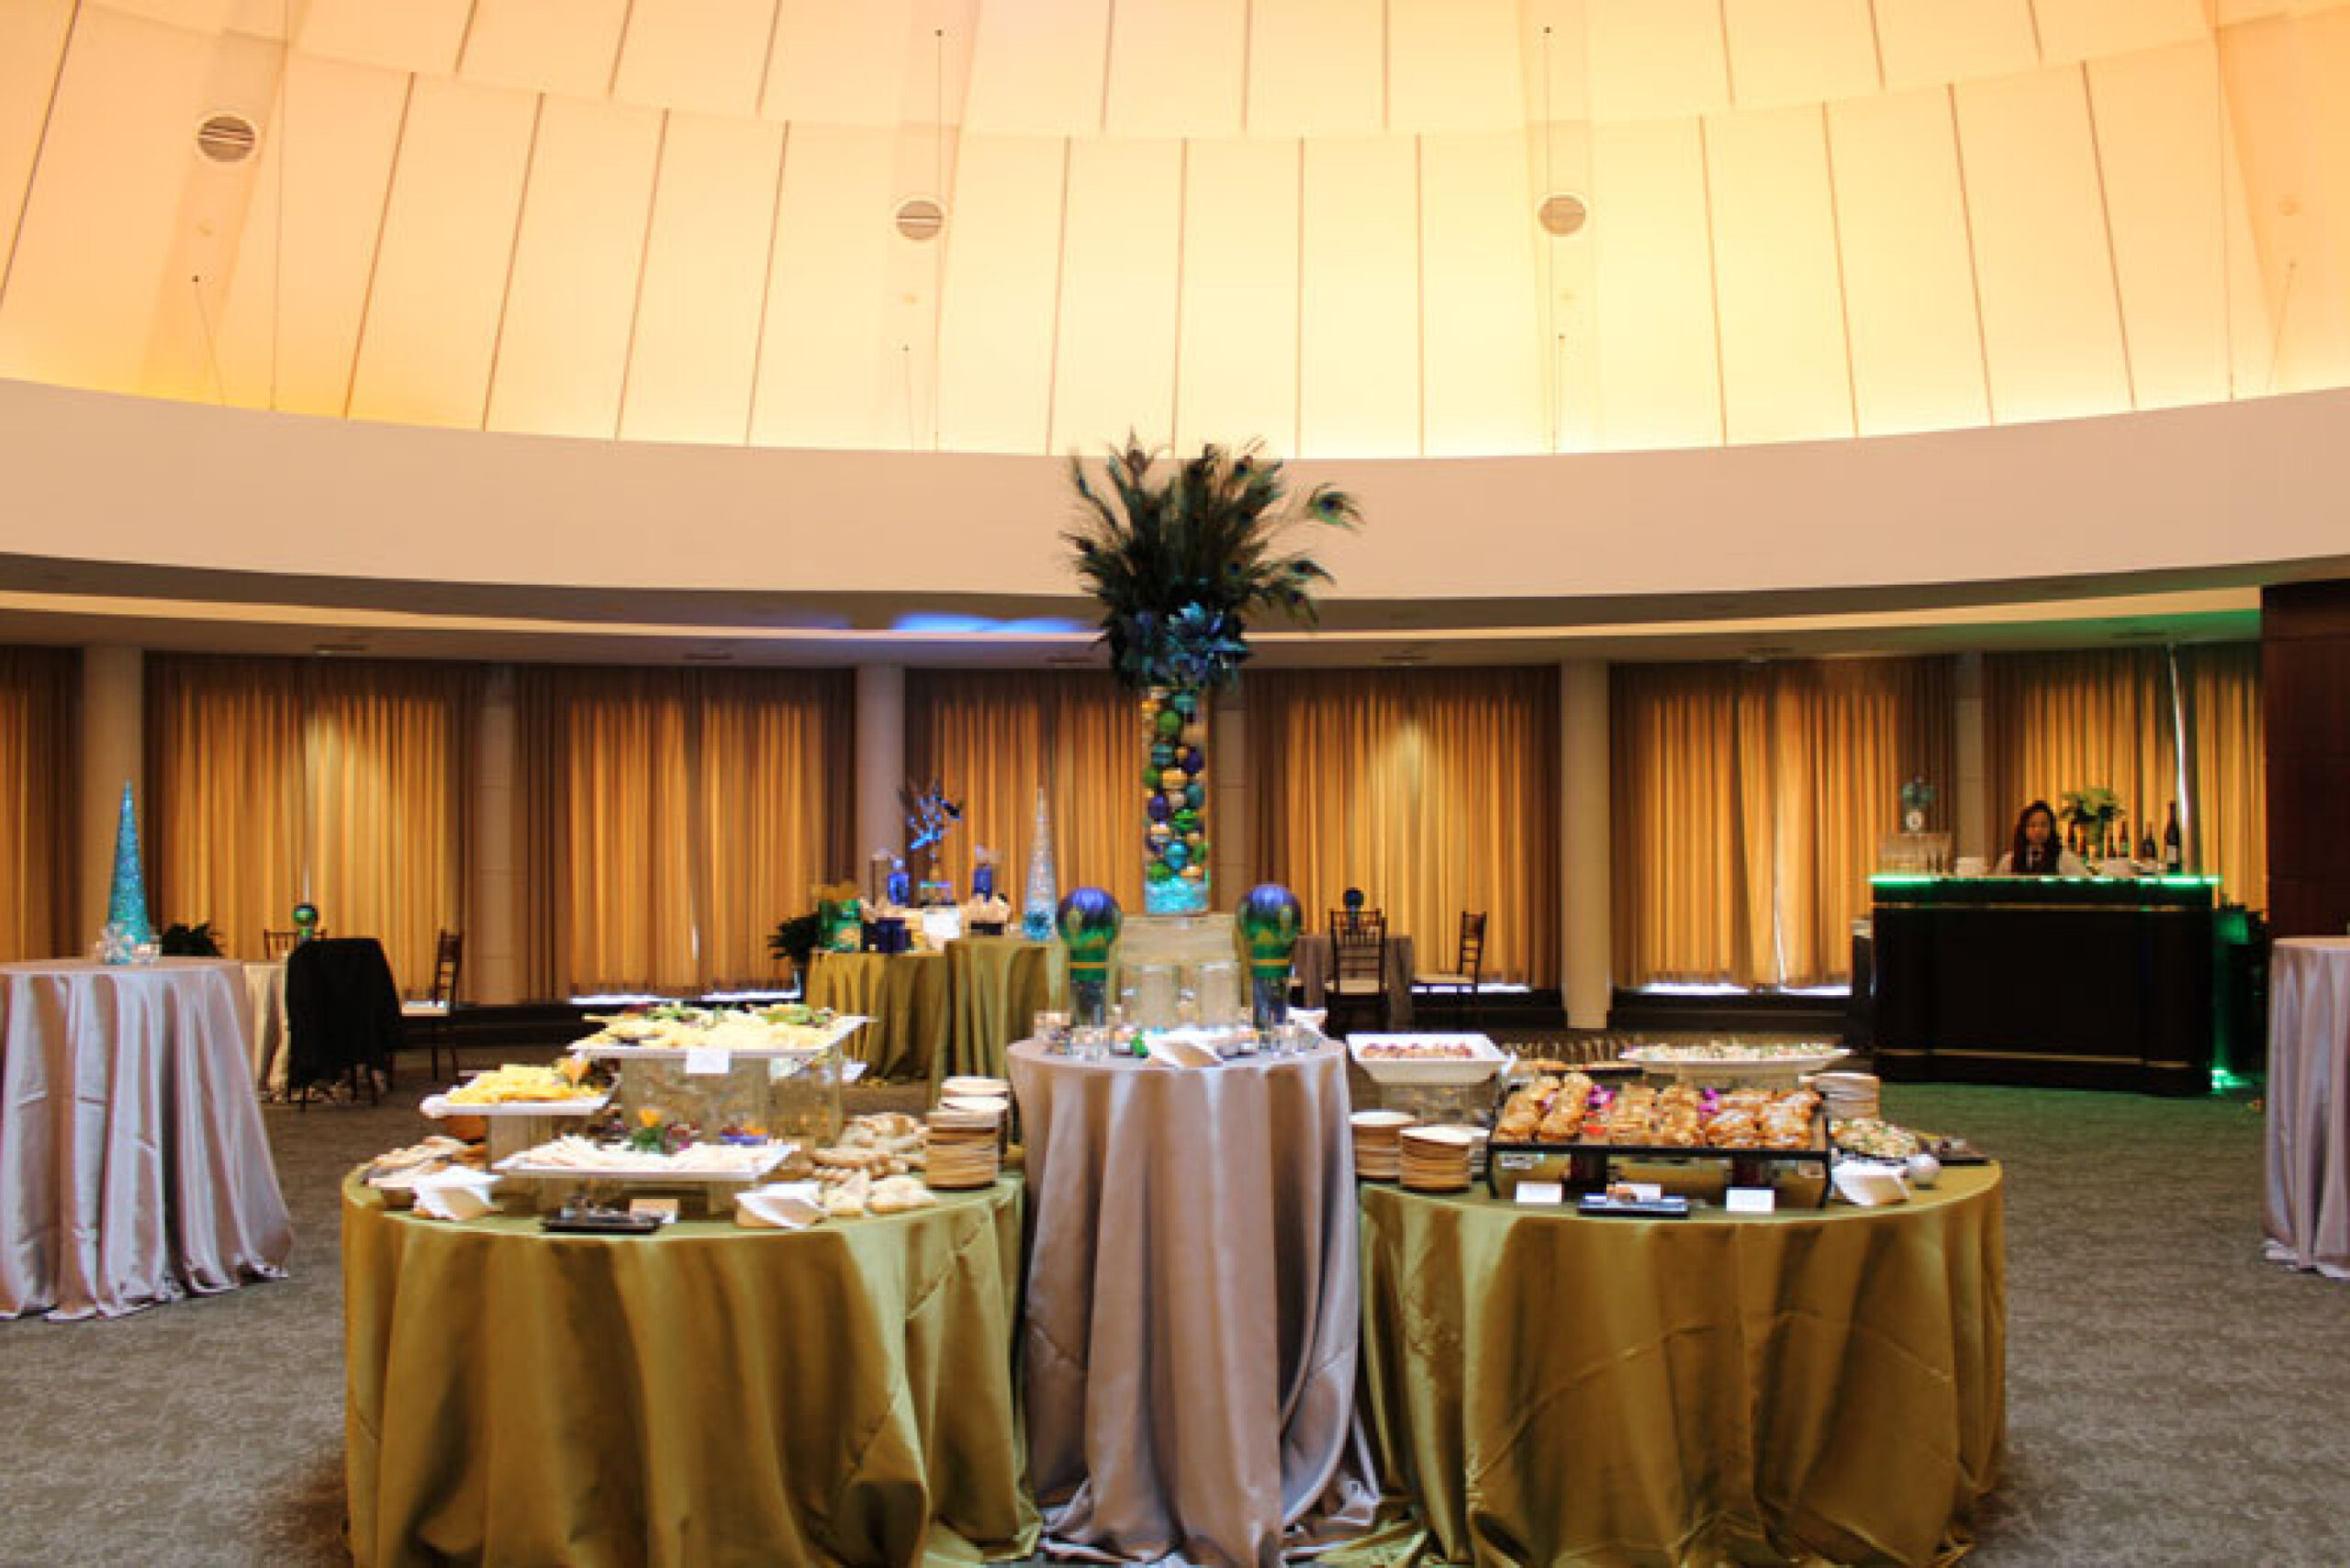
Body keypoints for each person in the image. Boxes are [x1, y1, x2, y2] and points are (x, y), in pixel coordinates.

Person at [1996, 800, 2087, 876]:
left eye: (2044, 825)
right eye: (2032, 825)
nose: (2038, 830)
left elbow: (2085, 881)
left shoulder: (2064, 858)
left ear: (2051, 829)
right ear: (2023, 829)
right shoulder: (2009, 861)